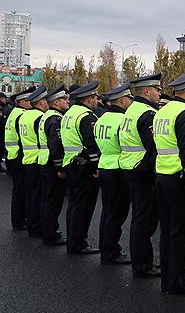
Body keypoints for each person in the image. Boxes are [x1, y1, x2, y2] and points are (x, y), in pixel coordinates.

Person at [154, 68, 185, 295]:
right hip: (179, 178)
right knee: (182, 232)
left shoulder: (163, 111)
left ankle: (167, 278)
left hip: (162, 174)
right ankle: (179, 280)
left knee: (167, 231)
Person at [121, 73, 163, 278]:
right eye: (157, 89)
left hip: (130, 168)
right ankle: (143, 264)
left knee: (138, 218)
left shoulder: (132, 110)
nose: (159, 93)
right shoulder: (147, 114)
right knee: (144, 221)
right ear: (147, 91)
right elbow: (154, 148)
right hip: (142, 173)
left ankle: (140, 261)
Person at [61, 82, 102, 255]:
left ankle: (73, 241)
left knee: (74, 205)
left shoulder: (69, 114)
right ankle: (78, 243)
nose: (97, 101)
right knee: (83, 207)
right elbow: (92, 144)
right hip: (83, 167)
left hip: (71, 163)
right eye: (95, 98)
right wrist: (95, 167)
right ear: (88, 98)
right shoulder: (87, 116)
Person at [94, 84, 133, 264]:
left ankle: (106, 248)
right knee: (117, 214)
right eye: (129, 99)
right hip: (118, 169)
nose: (131, 102)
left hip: (104, 166)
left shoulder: (101, 118)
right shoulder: (122, 121)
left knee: (108, 211)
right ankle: (111, 252)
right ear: (123, 100)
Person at [39, 87, 69, 246]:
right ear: (56, 102)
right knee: (53, 202)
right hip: (51, 164)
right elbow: (56, 146)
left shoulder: (47, 116)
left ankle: (48, 232)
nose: (67, 101)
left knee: (49, 200)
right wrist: (60, 168)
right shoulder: (55, 119)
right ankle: (51, 235)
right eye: (64, 99)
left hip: (45, 161)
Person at [20, 86, 48, 238]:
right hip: (37, 159)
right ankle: (36, 227)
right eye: (45, 101)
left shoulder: (24, 115)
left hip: (27, 158)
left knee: (31, 195)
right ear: (41, 102)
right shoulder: (39, 118)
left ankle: (32, 224)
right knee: (38, 197)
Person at [6, 86, 34, 230]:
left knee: (18, 191)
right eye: (30, 101)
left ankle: (18, 219)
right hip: (19, 156)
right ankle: (20, 220)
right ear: (22, 102)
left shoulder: (14, 113)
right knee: (21, 191)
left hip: (12, 155)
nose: (32, 103)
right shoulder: (21, 115)